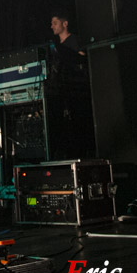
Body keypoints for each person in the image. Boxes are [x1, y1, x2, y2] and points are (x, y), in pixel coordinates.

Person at [46, 10, 94, 160]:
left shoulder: (74, 41)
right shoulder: (54, 47)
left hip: (76, 93)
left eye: (55, 23)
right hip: (60, 92)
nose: (52, 26)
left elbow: (83, 61)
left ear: (65, 24)